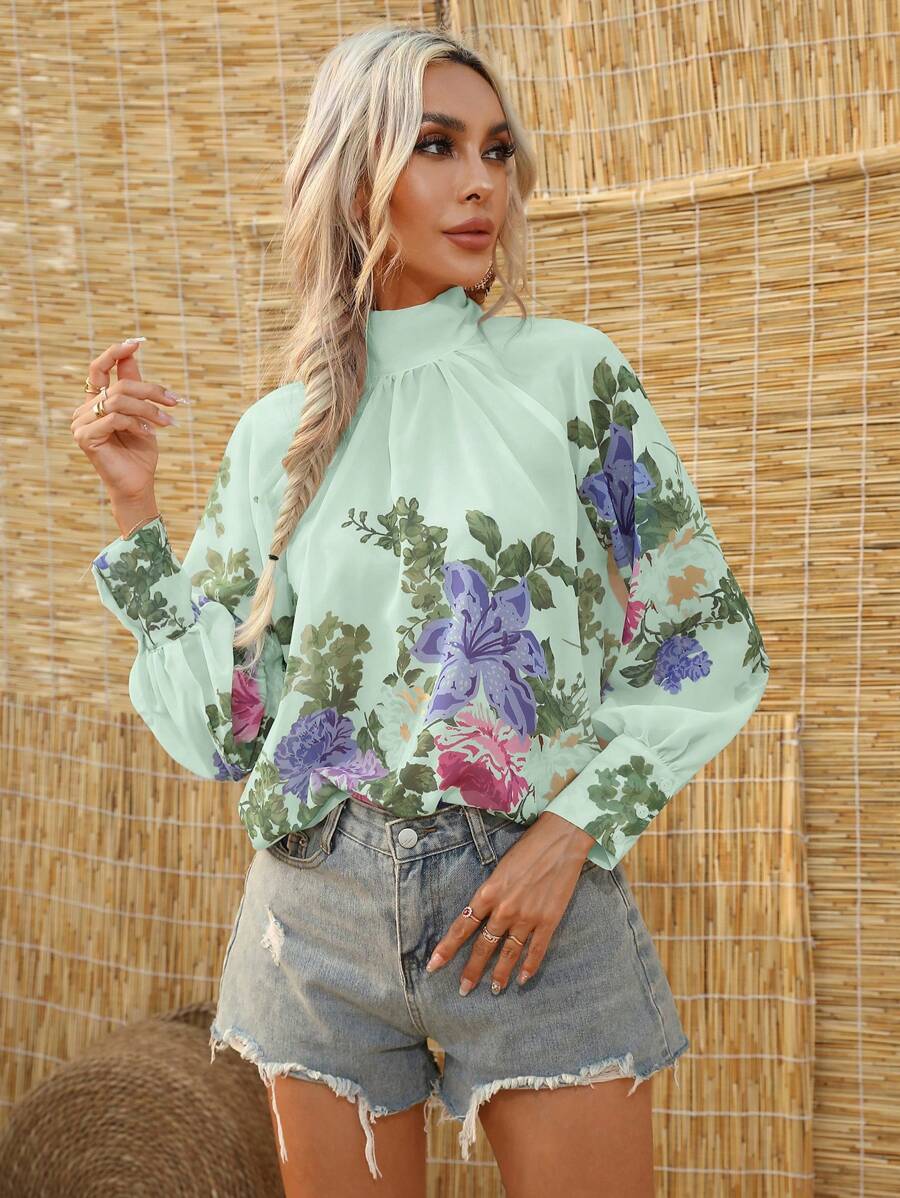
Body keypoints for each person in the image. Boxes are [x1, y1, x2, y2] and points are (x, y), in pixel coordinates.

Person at [73, 24, 769, 1198]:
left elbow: (708, 638)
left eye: (496, 151)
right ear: (359, 178)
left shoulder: (570, 375)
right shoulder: (277, 434)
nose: (481, 181)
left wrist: (575, 830)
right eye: (438, 146)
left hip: (533, 901)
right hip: (315, 912)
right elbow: (224, 730)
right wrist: (136, 512)